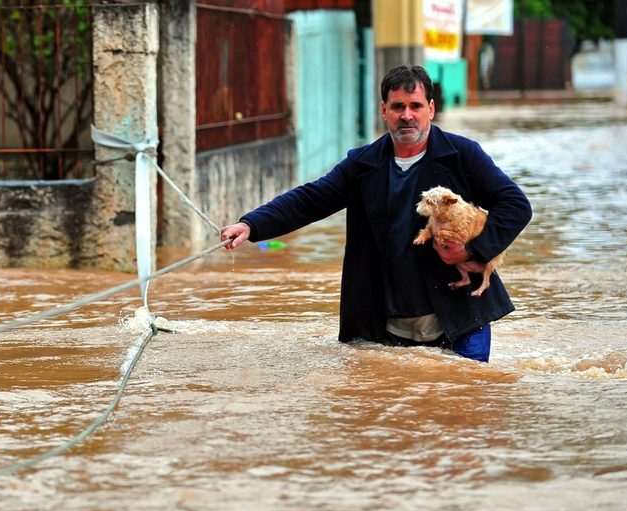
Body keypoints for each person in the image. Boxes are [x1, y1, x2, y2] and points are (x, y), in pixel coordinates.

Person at [219, 65, 531, 362]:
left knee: (464, 399)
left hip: (461, 315)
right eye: (397, 107)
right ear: (384, 111)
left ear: (431, 109)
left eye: (415, 106)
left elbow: (515, 205)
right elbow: (311, 199)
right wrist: (252, 224)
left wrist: (472, 250)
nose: (406, 116)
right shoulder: (363, 164)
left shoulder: (462, 156)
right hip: (385, 321)